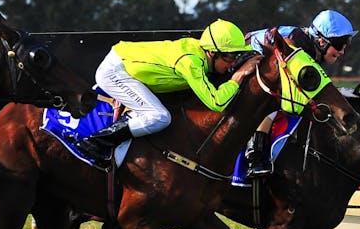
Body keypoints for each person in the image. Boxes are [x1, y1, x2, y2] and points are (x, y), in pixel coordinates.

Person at [75, 18, 256, 164]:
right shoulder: (191, 62)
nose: (232, 63)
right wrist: (237, 77)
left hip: (125, 63)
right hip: (115, 72)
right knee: (159, 116)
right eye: (229, 57)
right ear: (211, 53)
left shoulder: (200, 52)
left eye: (236, 56)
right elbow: (217, 103)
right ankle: (96, 142)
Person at [243, 9, 357, 177]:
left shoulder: (312, 48)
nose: (342, 52)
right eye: (339, 45)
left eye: (345, 45)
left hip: (263, 65)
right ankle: (255, 155)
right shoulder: (298, 44)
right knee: (271, 104)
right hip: (243, 59)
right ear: (322, 42)